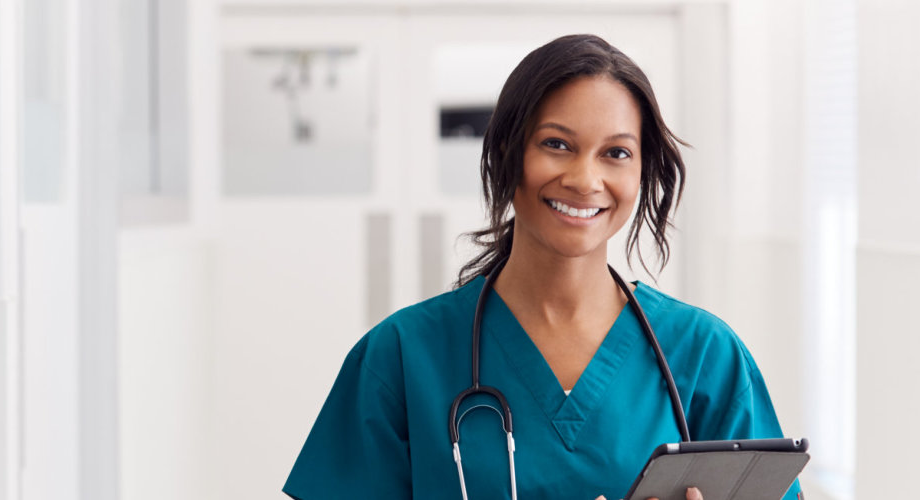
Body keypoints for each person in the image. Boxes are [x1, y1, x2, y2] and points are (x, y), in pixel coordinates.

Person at [283, 34, 799, 500]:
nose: (584, 178)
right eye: (557, 144)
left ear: (643, 171)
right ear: (507, 153)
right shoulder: (401, 356)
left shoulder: (705, 355)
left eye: (616, 153)